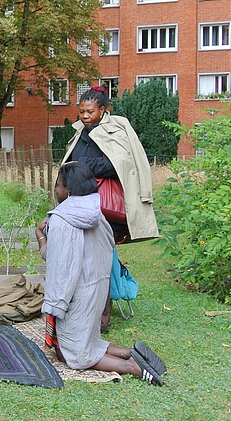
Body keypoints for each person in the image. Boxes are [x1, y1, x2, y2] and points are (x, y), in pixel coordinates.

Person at [40, 161, 166, 385]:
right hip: (97, 290)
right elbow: (108, 249)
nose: (56, 191)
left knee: (76, 356)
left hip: (74, 296)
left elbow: (61, 266)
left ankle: (133, 368)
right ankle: (130, 352)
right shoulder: (97, 215)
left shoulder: (61, 219)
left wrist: (55, 304)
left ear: (68, 190)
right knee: (88, 340)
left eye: (58, 186)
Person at [61, 86, 159, 244]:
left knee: (104, 252)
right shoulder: (79, 132)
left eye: (90, 112)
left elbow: (119, 165)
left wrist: (82, 164)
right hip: (82, 205)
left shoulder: (114, 131)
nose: (84, 116)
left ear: (101, 110)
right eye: (81, 111)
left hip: (106, 206)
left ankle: (114, 270)